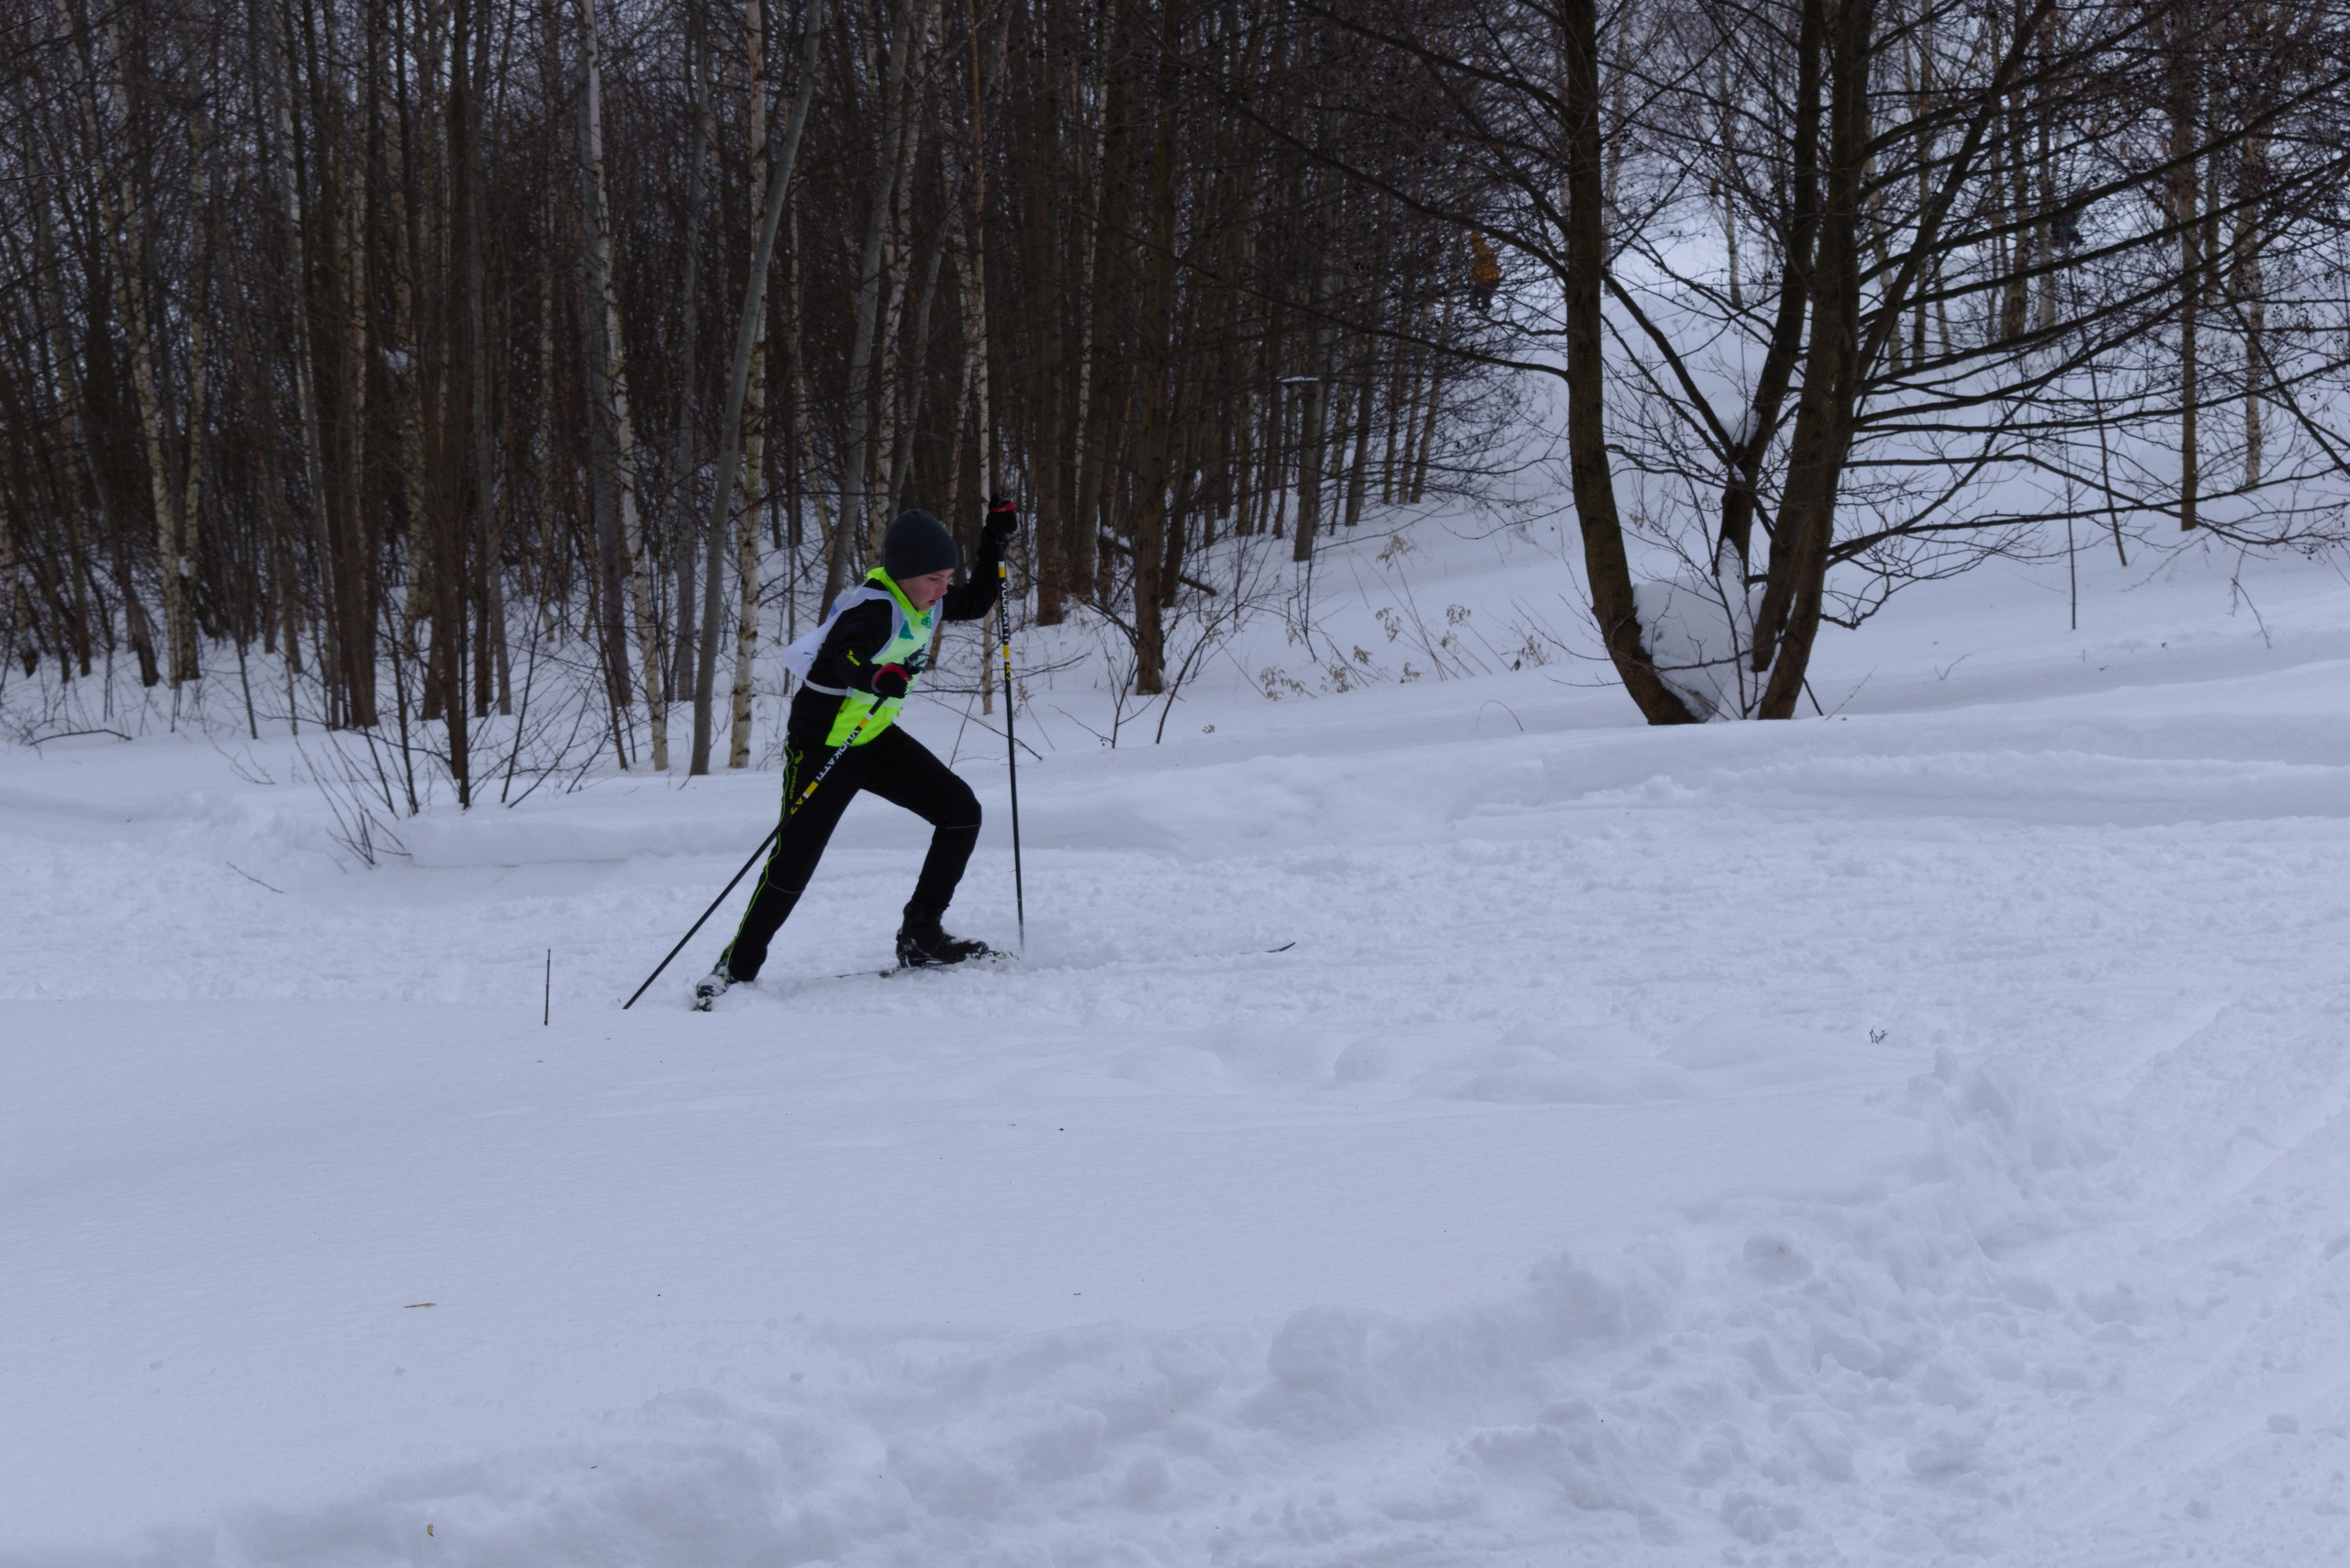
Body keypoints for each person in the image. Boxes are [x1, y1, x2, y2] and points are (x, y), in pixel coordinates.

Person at [694, 500, 1018, 1008]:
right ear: (906, 573)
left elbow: (976, 602)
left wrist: (994, 542)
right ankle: (736, 967)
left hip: (874, 739)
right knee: (794, 861)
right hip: (824, 747)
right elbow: (836, 661)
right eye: (936, 578)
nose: (943, 589)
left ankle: (921, 936)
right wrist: (872, 674)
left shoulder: (926, 599)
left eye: (947, 577)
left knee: (960, 813)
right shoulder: (873, 607)